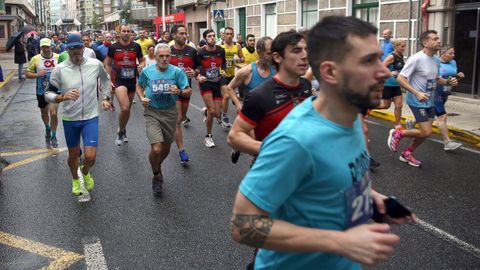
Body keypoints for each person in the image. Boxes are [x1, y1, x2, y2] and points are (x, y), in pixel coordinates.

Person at [230, 16, 416, 270]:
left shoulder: (350, 119)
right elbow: (243, 225)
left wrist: (371, 200)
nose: (384, 71)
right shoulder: (295, 141)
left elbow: (339, 175)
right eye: (367, 61)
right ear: (329, 72)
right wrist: (338, 242)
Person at [45, 34, 113, 196]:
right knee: (73, 155)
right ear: (66, 50)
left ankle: (85, 171)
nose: (75, 51)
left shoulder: (95, 64)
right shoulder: (59, 69)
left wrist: (105, 97)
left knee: (90, 157)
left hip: (90, 117)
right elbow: (48, 93)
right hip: (70, 119)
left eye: (78, 47)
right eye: (72, 48)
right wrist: (61, 97)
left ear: (83, 48)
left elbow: (105, 80)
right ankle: (75, 178)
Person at [227, 31, 309, 165]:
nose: (305, 56)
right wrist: (238, 104)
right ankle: (248, 154)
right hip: (254, 113)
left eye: (306, 50)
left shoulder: (293, 78)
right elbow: (229, 88)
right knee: (256, 150)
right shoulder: (248, 72)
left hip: (274, 115)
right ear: (259, 52)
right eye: (269, 52)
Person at [389, 30, 458, 167]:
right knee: (426, 131)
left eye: (438, 38)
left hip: (430, 100)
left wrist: (448, 82)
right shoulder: (416, 59)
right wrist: (416, 93)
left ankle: (407, 153)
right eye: (435, 38)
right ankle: (399, 134)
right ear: (425, 43)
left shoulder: (436, 60)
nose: (439, 41)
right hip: (417, 100)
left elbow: (437, 79)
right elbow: (401, 79)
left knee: (425, 134)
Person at [136, 43, 192, 195]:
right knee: (156, 148)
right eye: (161, 56)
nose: (164, 59)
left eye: (167, 56)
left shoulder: (177, 72)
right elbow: (139, 86)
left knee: (166, 148)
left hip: (170, 112)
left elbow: (188, 90)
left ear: (170, 56)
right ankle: (156, 175)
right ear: (155, 56)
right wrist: (142, 98)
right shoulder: (147, 71)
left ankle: (157, 165)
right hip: (152, 111)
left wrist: (179, 91)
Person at [104, 24, 144, 146]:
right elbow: (108, 64)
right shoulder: (113, 47)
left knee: (128, 110)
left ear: (131, 33)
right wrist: (110, 78)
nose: (126, 33)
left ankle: (123, 128)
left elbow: (142, 60)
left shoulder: (136, 46)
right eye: (124, 31)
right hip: (119, 81)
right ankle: (120, 131)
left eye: (128, 31)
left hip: (132, 80)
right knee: (125, 107)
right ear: (119, 33)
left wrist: (142, 65)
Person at [169, 24, 198, 163]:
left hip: (186, 89)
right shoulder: (168, 51)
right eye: (181, 33)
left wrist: (195, 72)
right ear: (174, 35)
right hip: (172, 90)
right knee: (177, 119)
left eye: (185, 33)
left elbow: (199, 67)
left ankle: (174, 131)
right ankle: (182, 150)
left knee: (181, 118)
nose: (184, 36)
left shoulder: (192, 51)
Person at [25, 38, 60, 148]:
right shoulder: (35, 59)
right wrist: (37, 75)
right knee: (44, 112)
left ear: (51, 46)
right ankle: (47, 128)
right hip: (41, 90)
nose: (45, 49)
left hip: (55, 90)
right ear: (40, 47)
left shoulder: (58, 57)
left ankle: (54, 136)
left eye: (47, 46)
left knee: (53, 113)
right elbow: (27, 74)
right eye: (43, 47)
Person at [195, 29, 226, 148]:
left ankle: (207, 112)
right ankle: (208, 137)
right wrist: (198, 76)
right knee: (213, 111)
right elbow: (197, 67)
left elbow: (223, 63)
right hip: (206, 83)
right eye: (209, 36)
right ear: (205, 39)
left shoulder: (220, 50)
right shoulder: (201, 53)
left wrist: (222, 70)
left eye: (214, 35)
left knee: (217, 114)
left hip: (217, 82)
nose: (212, 38)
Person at [434, 45, 464, 151]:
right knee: (442, 117)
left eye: (453, 53)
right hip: (435, 92)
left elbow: (452, 78)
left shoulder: (453, 62)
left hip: (445, 93)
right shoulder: (435, 62)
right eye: (450, 53)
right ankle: (447, 142)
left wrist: (458, 77)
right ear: (442, 53)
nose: (453, 55)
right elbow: (434, 78)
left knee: (430, 115)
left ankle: (413, 122)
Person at [377, 39, 406, 130]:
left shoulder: (400, 55)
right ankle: (367, 106)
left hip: (396, 85)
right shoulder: (391, 57)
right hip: (388, 84)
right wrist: (390, 73)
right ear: (396, 47)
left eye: (404, 46)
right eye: (402, 46)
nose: (404, 48)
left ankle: (397, 125)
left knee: (399, 105)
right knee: (386, 106)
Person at [220, 27, 245, 129]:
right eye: (227, 34)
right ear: (224, 35)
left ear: (233, 35)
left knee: (237, 96)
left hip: (234, 74)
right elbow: (216, 61)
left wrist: (238, 59)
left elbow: (243, 58)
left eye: (231, 34)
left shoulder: (237, 46)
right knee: (226, 96)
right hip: (223, 75)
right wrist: (220, 70)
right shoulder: (220, 47)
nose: (229, 36)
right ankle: (225, 117)